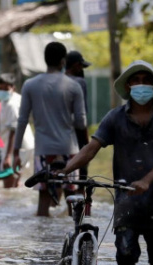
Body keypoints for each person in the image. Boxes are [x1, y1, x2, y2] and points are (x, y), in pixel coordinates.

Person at [62, 60, 153, 265]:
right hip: (127, 201)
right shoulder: (115, 117)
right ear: (128, 86)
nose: (141, 84)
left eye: (146, 80)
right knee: (125, 261)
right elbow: (91, 149)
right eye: (136, 80)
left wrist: (146, 181)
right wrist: (64, 171)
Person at [13, 42, 87, 216]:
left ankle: (43, 243)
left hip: (44, 151)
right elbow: (81, 122)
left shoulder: (30, 85)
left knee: (43, 204)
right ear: (63, 61)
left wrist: (16, 152)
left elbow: (22, 120)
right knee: (72, 204)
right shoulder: (74, 86)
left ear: (44, 60)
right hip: (69, 151)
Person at [0, 73, 34, 188]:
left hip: (18, 147)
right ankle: (15, 202)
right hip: (21, 146)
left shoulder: (12, 104)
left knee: (8, 184)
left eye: (6, 88)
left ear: (13, 88)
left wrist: (8, 156)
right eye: (0, 88)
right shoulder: (8, 101)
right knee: (14, 179)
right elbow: (1, 125)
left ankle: (9, 204)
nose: (2, 91)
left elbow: (13, 129)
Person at [65, 51, 92, 181]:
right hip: (76, 134)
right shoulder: (79, 82)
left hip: (55, 135)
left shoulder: (56, 81)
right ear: (76, 65)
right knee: (81, 177)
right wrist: (87, 142)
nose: (82, 70)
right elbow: (81, 116)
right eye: (81, 66)